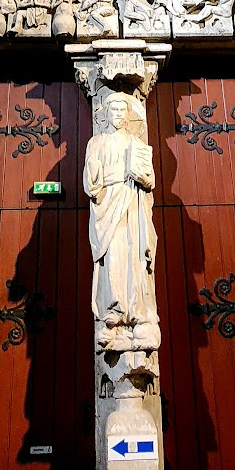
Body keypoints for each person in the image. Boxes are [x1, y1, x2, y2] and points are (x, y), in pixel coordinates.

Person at [82, 93, 160, 352]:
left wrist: (141, 177)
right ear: (107, 115)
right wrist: (95, 177)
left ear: (128, 115)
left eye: (121, 110)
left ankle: (138, 316)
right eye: (113, 110)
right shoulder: (97, 142)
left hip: (133, 203)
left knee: (135, 260)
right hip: (108, 205)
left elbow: (150, 182)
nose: (117, 114)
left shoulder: (136, 143)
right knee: (114, 257)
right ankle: (113, 312)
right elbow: (91, 184)